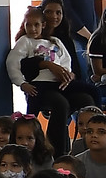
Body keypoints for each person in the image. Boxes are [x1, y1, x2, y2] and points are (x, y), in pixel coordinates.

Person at [6, 8, 79, 155]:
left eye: (36, 25)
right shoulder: (25, 42)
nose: (32, 29)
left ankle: (87, 147)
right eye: (29, 25)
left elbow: (66, 60)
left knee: (88, 96)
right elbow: (12, 63)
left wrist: (67, 74)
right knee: (61, 103)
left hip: (60, 82)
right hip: (40, 85)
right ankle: (57, 153)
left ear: (43, 25)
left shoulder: (55, 42)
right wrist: (22, 83)